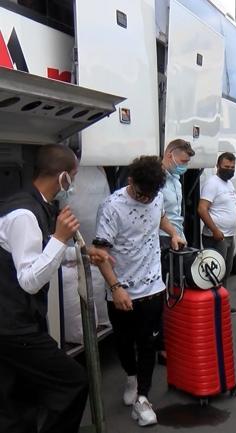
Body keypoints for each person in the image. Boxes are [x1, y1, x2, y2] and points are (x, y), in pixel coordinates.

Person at [0, 144, 112, 433]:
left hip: (14, 321)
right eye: (73, 177)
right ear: (64, 178)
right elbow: (29, 279)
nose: (72, 184)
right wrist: (62, 238)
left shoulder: (34, 204)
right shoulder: (24, 214)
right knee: (72, 382)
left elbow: (40, 256)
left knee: (16, 397)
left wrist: (83, 255)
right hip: (14, 326)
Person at [93, 156, 185, 427]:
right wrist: (116, 287)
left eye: (152, 195)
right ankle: (130, 376)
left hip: (154, 287)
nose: (147, 200)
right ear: (130, 182)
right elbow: (100, 254)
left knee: (148, 343)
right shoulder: (111, 207)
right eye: (142, 195)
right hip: (121, 290)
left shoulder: (155, 196)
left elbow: (162, 217)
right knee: (123, 343)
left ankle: (143, 399)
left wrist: (174, 233)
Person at [157, 138, 195, 362]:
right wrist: (172, 234)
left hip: (176, 239)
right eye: (182, 161)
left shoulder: (176, 180)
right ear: (169, 154)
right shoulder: (157, 180)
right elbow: (156, 214)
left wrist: (179, 235)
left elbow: (177, 214)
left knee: (177, 292)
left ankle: (174, 338)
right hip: (163, 240)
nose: (184, 166)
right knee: (163, 295)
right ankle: (161, 346)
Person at [198, 152, 236, 288]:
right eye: (226, 167)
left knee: (225, 272)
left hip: (229, 235)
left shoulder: (229, 184)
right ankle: (215, 306)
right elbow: (202, 209)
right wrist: (215, 230)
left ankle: (223, 305)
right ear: (218, 166)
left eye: (232, 167)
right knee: (216, 275)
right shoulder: (212, 183)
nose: (230, 170)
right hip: (216, 237)